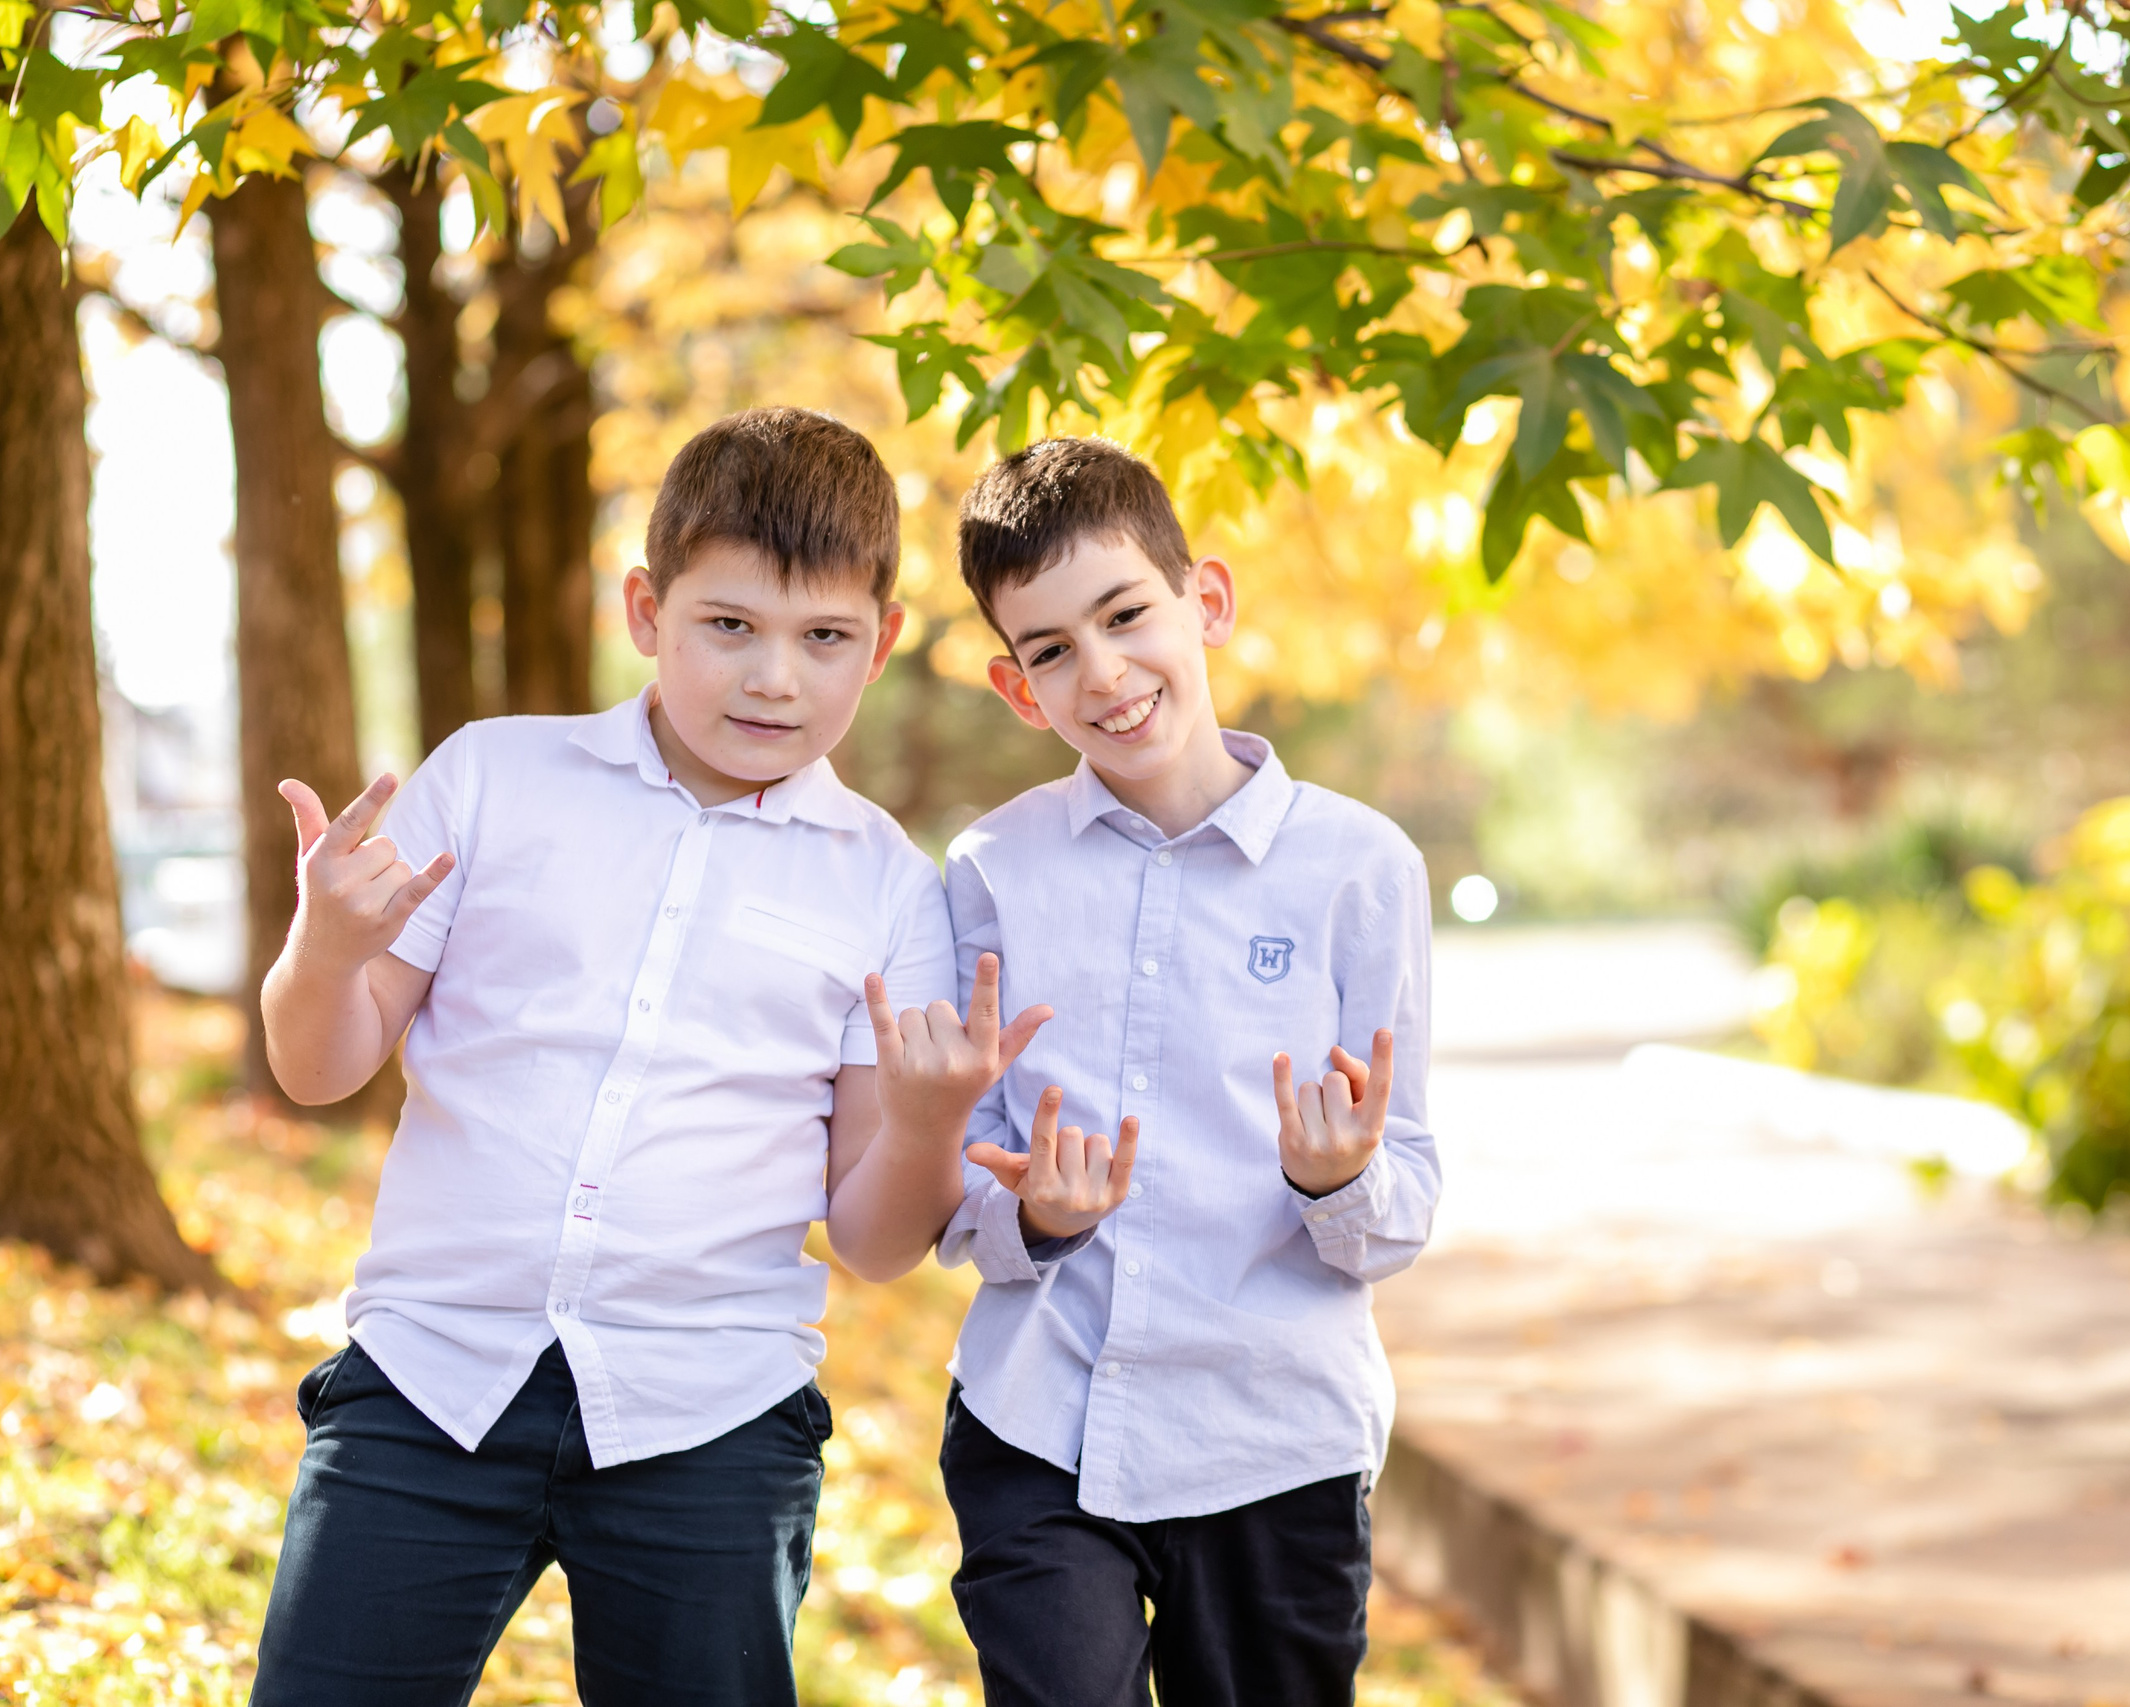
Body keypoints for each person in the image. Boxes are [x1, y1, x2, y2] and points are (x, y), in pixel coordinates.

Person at [250, 407, 1045, 1706]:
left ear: (883, 640)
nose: (772, 678)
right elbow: (318, 1065)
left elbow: (877, 1236)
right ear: (645, 609)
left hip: (710, 1417)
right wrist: (328, 946)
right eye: (727, 625)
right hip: (432, 1376)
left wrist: (927, 1120)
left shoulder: (892, 890)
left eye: (823, 637)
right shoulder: (493, 781)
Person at [933, 436, 1440, 1707]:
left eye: (1124, 615)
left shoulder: (1359, 870)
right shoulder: (993, 871)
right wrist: (1033, 1217)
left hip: (1272, 1438)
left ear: (1203, 600)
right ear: (1013, 684)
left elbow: (1406, 1194)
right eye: (1051, 648)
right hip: (1036, 1419)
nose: (1101, 672)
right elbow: (956, 1174)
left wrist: (1337, 1183)